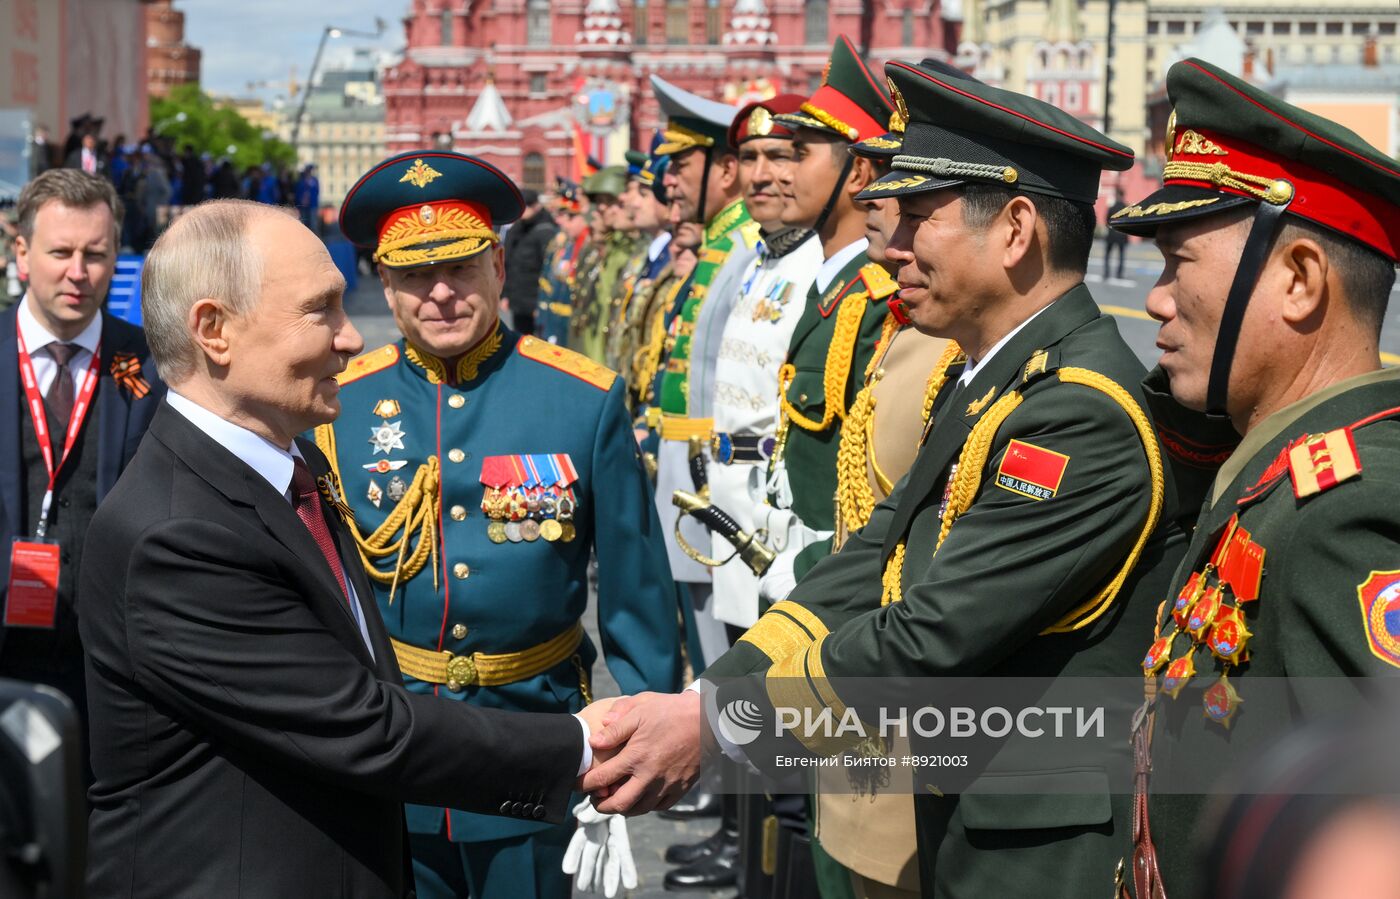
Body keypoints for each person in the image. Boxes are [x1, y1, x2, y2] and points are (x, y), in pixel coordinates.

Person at [585, 58, 1192, 899]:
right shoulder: (996, 377)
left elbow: (928, 634)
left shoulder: (1076, 411)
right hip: (967, 822)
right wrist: (714, 691)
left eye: (917, 216)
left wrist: (719, 722)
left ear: (1016, 230)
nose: (892, 240)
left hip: (1035, 858)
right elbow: (877, 554)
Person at [79, 197, 613, 897]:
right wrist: (585, 744)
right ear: (214, 330)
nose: (351, 337)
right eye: (320, 310)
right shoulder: (177, 534)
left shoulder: (291, 466)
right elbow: (364, 726)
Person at [325, 151, 681, 899]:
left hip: (534, 739)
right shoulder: (337, 406)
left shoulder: (580, 398)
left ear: (495, 264)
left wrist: (647, 730)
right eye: (416, 275)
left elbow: (635, 585)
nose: (441, 293)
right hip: (392, 746)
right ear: (384, 283)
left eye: (460, 267)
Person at [1105, 58, 1400, 899]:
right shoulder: (1275, 472)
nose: (1157, 299)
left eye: (1178, 263)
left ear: (1299, 281)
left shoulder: (1348, 512)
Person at [0, 170, 165, 762]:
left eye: (95, 255)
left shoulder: (152, 365)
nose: (78, 272)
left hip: (113, 663)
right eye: (60, 253)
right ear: (22, 253)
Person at [647, 75, 758, 675]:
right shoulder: (723, 243)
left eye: (681, 163)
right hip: (689, 472)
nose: (668, 179)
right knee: (706, 643)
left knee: (725, 657)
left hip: (713, 477)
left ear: (726, 169)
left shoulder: (746, 245)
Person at [534, 180, 588, 346]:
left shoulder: (583, 247)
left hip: (569, 330)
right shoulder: (564, 242)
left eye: (569, 216)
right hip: (554, 323)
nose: (560, 221)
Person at [501, 187, 558, 337]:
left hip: (536, 302)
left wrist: (542, 304)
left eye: (527, 206)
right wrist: (505, 295)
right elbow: (508, 263)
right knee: (521, 340)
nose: (523, 211)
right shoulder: (517, 228)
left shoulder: (545, 230)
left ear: (536, 206)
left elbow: (548, 271)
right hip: (518, 300)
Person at [1103, 187, 1128, 281]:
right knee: (1121, 255)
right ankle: (1119, 274)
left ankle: (1106, 273)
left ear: (1117, 195)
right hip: (1122, 234)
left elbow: (1107, 221)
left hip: (1112, 234)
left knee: (1107, 254)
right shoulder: (1126, 207)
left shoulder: (1112, 208)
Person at [294, 164, 321, 232]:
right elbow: (297, 193)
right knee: (304, 224)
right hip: (303, 206)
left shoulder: (314, 180)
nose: (309, 172)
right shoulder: (301, 181)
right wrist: (301, 200)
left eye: (310, 170)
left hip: (312, 205)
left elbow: (317, 192)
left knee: (313, 224)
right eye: (308, 170)